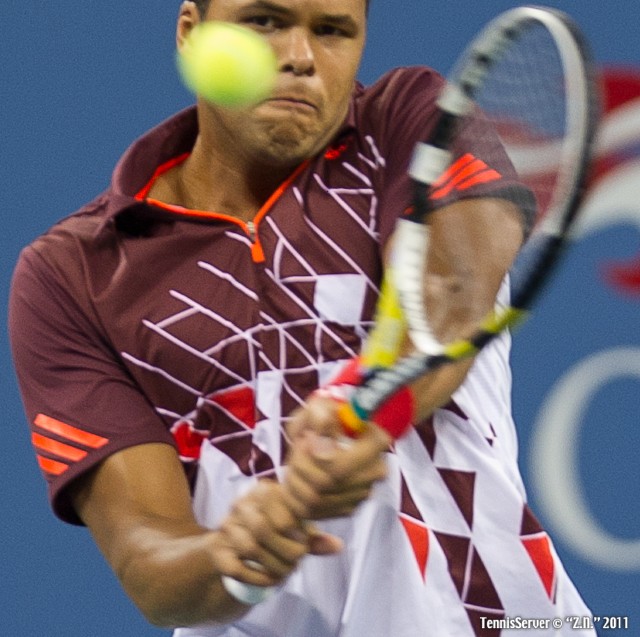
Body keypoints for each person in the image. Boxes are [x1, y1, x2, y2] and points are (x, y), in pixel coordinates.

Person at [9, 1, 595, 635]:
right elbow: (151, 564)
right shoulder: (74, 273)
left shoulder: (411, 121)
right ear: (190, 33)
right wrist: (230, 555)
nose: (300, 56)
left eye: (332, 30)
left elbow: (449, 297)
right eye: (264, 21)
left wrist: (367, 405)